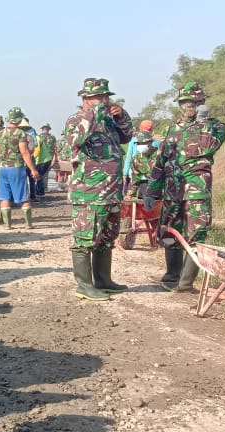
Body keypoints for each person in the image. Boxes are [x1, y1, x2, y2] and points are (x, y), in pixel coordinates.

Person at [146, 82, 225, 292]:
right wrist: (152, 191)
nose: (188, 107)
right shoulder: (172, 128)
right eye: (184, 103)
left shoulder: (215, 127)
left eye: (193, 103)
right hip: (173, 191)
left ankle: (185, 282)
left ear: (201, 103)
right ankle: (171, 275)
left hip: (196, 192)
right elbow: (160, 162)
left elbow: (208, 146)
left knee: (196, 235)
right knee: (169, 233)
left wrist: (202, 122)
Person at [63, 77, 133, 301]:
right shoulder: (76, 119)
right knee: (85, 237)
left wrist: (121, 116)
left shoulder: (110, 120)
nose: (104, 100)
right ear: (85, 99)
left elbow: (127, 136)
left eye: (106, 96)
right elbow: (76, 140)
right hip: (89, 191)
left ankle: (103, 280)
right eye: (98, 97)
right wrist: (92, 114)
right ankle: (84, 285)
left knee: (106, 237)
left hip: (111, 190)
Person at [0, 107, 41, 229]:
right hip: (16, 168)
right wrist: (33, 169)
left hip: (2, 168)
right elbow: (25, 153)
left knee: (4, 197)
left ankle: (7, 225)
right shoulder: (20, 133)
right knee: (23, 196)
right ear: (19, 119)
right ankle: (29, 224)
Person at [123, 120, 160, 192]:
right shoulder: (156, 142)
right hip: (150, 177)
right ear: (152, 129)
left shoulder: (133, 141)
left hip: (134, 176)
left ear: (140, 128)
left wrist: (125, 173)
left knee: (131, 196)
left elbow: (128, 158)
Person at [126, 130, 158, 201]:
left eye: (143, 143)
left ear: (150, 143)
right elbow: (135, 177)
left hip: (159, 190)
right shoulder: (137, 158)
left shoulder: (159, 155)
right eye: (138, 143)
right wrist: (130, 194)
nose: (140, 145)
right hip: (144, 187)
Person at [34, 123, 58, 197]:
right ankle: (44, 188)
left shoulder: (38, 137)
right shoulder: (53, 137)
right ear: (49, 129)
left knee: (39, 174)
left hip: (40, 157)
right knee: (45, 174)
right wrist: (55, 158)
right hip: (49, 157)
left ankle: (41, 190)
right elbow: (55, 148)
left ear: (42, 129)